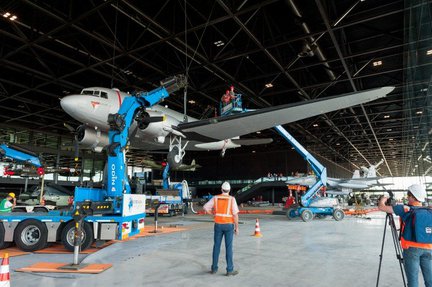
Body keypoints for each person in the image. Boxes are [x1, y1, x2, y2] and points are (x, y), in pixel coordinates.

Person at [378, 184, 432, 287]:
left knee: (413, 282)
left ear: (412, 197)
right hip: (429, 248)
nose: (407, 197)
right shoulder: (428, 210)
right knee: (430, 281)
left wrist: (383, 199)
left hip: (411, 249)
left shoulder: (405, 208)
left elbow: (381, 207)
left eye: (408, 195)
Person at [203, 181, 239, 276]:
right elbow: (235, 215)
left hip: (218, 225)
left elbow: (205, 207)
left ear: (221, 189)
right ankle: (229, 270)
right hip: (228, 225)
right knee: (229, 248)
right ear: (229, 190)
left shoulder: (216, 198)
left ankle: (214, 269)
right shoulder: (232, 199)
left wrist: (213, 214)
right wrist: (237, 227)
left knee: (216, 247)